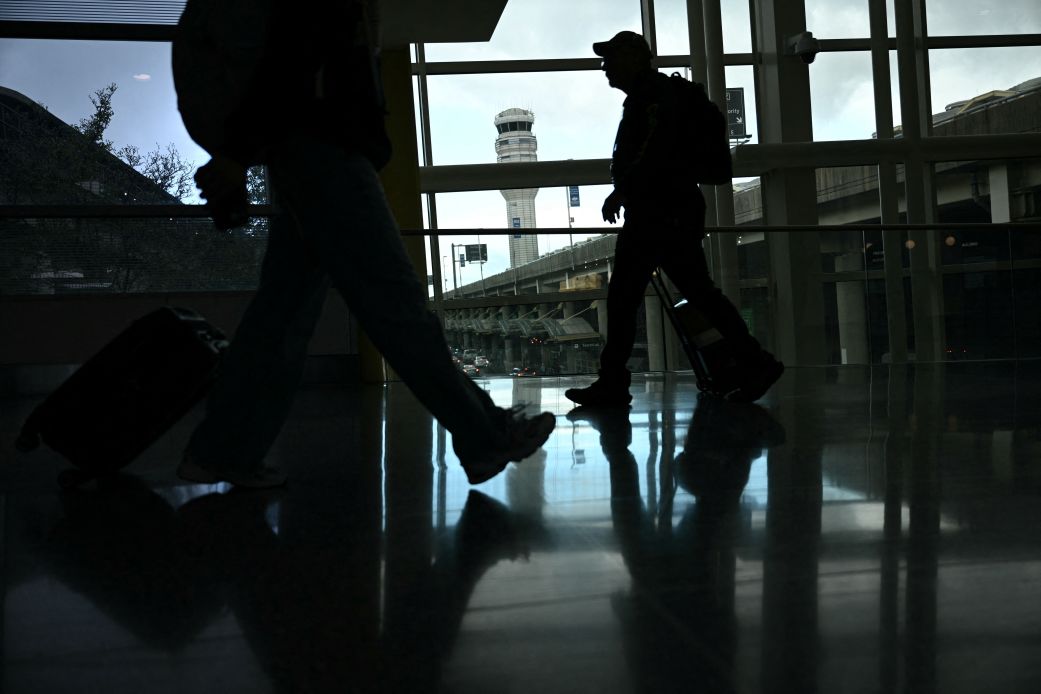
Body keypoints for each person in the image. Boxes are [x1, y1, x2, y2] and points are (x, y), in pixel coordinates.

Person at [173, 0, 554, 488]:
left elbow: (285, 61)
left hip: (309, 152)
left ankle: (221, 449)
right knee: (395, 305)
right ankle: (484, 435)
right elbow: (291, 61)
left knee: (282, 315)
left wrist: (237, 153)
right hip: (326, 152)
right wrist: (236, 154)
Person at [565, 31, 783, 408]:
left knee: (630, 297)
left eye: (611, 59)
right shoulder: (654, 97)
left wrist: (623, 190)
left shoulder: (655, 100)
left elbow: (656, 153)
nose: (605, 68)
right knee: (690, 293)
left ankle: (615, 382)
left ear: (633, 58)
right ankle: (755, 361)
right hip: (667, 211)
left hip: (659, 213)